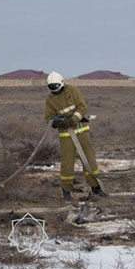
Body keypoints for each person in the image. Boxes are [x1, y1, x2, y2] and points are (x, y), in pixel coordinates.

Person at [44, 71, 106, 201]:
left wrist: (72, 120)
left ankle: (95, 188)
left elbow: (82, 107)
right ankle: (66, 190)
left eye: (56, 88)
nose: (55, 91)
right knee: (67, 163)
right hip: (66, 135)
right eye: (52, 89)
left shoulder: (73, 91)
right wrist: (57, 122)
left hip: (81, 130)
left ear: (61, 83)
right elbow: (49, 118)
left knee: (89, 160)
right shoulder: (50, 100)